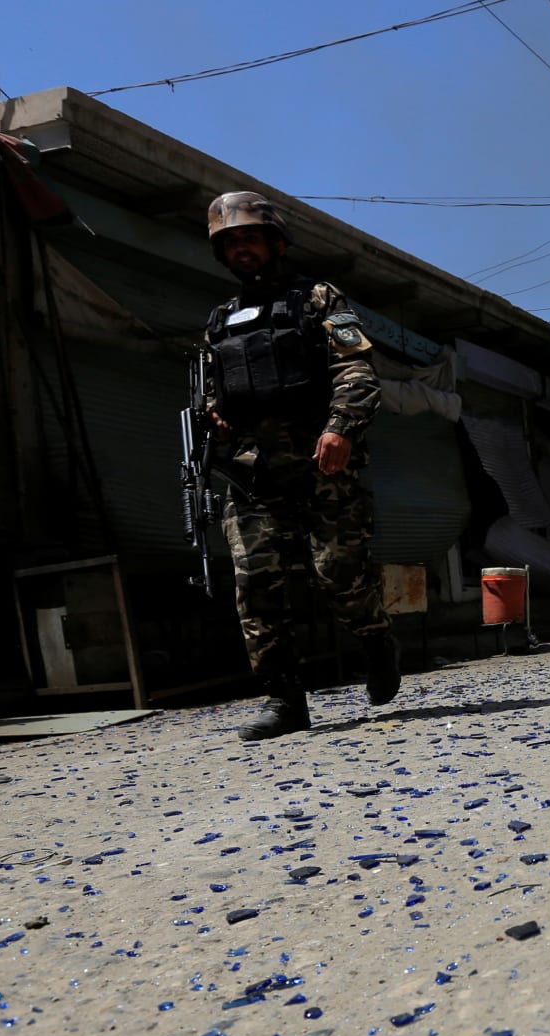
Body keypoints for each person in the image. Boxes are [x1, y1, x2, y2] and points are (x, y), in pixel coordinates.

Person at [200, 191, 400, 741]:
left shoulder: (318, 299)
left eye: (249, 237)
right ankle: (283, 700)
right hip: (253, 473)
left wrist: (341, 427)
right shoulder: (219, 323)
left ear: (275, 241)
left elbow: (357, 369)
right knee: (256, 585)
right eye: (230, 241)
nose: (241, 248)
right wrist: (214, 424)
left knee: (338, 575)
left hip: (323, 462)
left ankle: (376, 635)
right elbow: (217, 398)